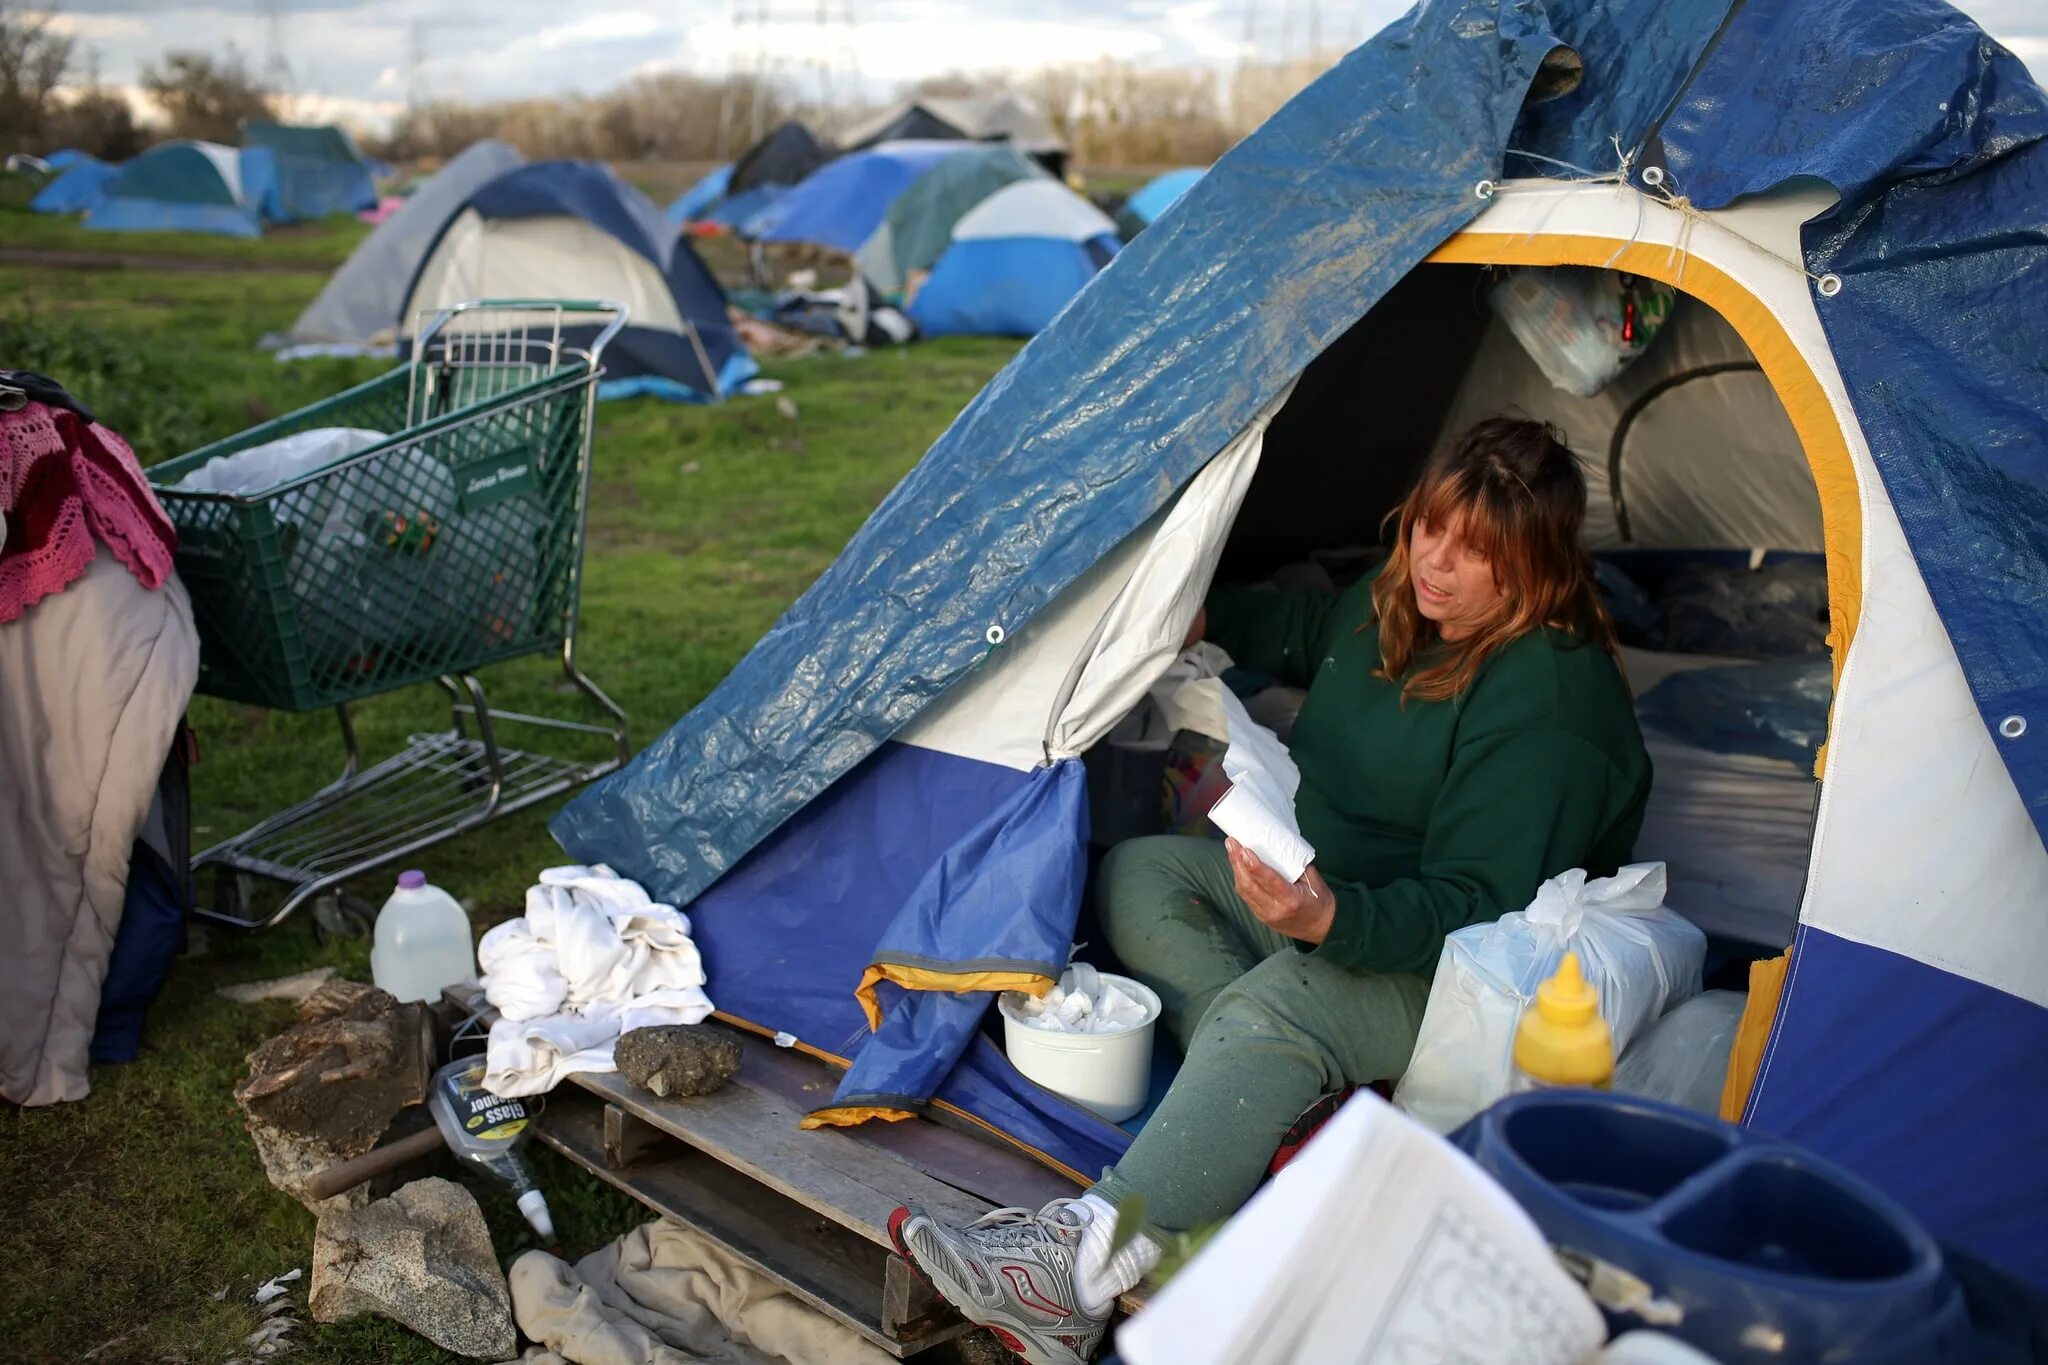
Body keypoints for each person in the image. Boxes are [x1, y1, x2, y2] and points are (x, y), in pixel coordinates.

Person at [889, 418, 1652, 1365]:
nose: (1438, 564)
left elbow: (1478, 904)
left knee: (1273, 1010)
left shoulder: (1546, 691)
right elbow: (1300, 632)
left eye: (1478, 552)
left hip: (1456, 966)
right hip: (1335, 906)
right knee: (1143, 871)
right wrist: (1189, 611)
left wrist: (1333, 921)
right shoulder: (1398, 604)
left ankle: (1084, 1268)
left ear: (1533, 569)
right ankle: (1273, 1107)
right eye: (1430, 528)